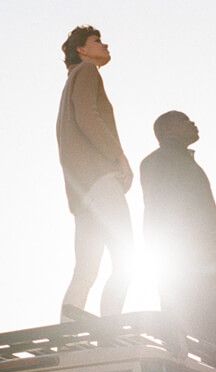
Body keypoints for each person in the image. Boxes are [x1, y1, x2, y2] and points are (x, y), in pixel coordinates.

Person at [55, 25, 135, 321]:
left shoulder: (68, 85)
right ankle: (111, 328)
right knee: (125, 258)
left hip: (81, 191)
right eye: (97, 41)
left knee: (86, 269)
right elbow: (88, 116)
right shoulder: (87, 72)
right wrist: (119, 157)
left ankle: (66, 333)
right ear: (82, 50)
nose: (105, 44)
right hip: (101, 181)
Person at [140, 110, 216, 341]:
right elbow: (163, 212)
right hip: (184, 262)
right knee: (199, 331)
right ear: (168, 129)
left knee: (212, 332)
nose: (193, 123)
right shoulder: (157, 162)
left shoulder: (181, 162)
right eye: (185, 120)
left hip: (197, 261)